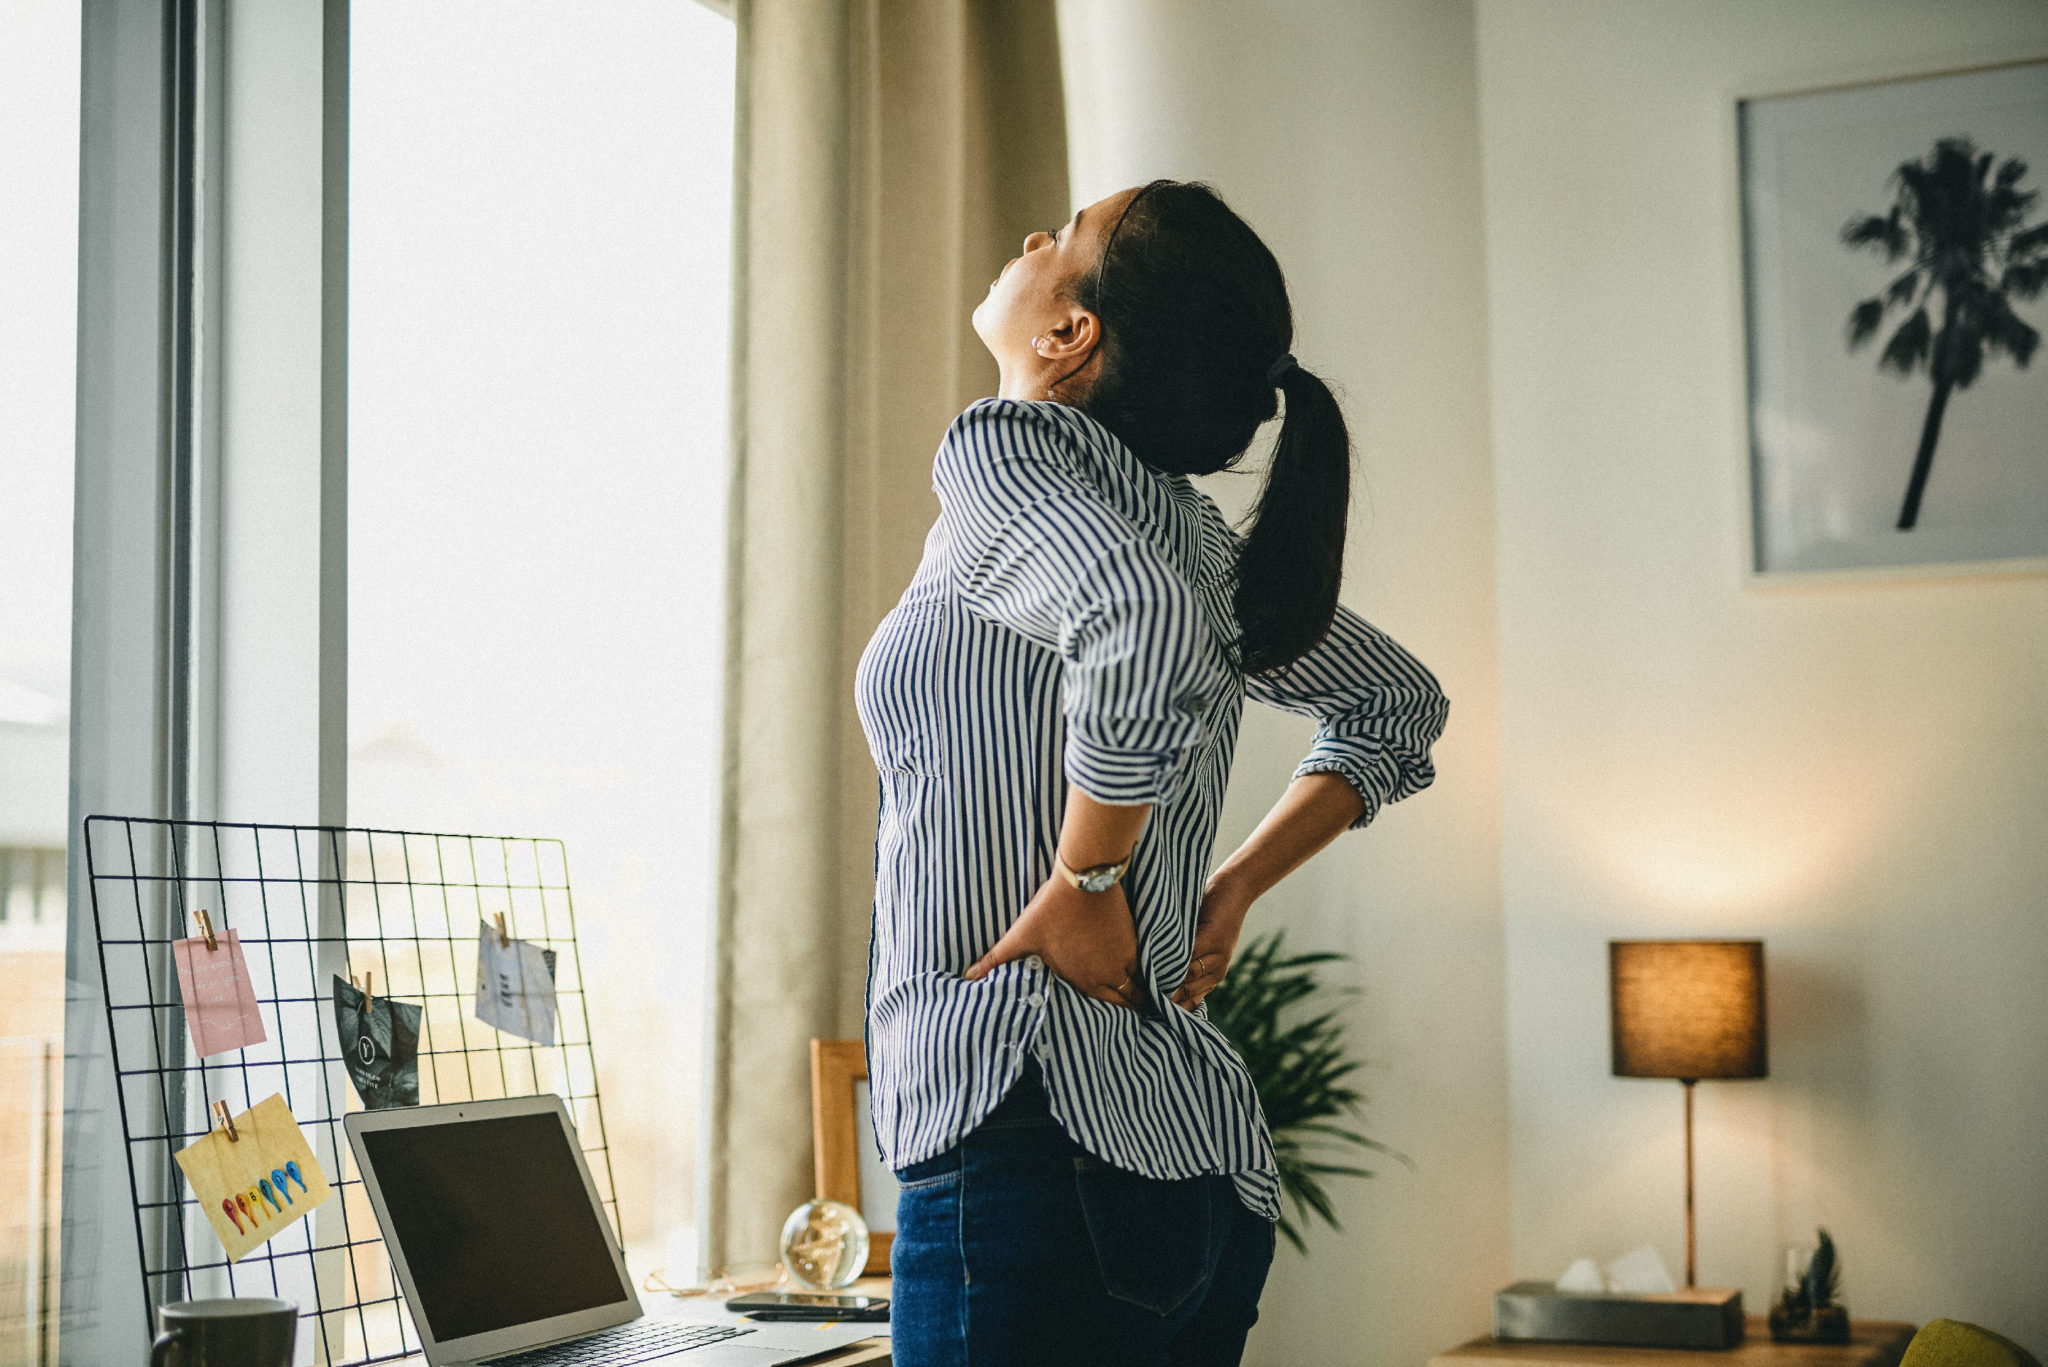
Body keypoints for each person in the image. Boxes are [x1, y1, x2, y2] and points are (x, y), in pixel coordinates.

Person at [854, 180, 1448, 1367]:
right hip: (1184, 1177)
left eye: (1062, 235)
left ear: (1069, 336)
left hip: (1030, 1142)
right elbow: (1393, 703)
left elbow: (1140, 622)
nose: (1032, 238)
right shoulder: (1179, 530)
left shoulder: (1005, 450)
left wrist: (1087, 881)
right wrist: (1223, 891)